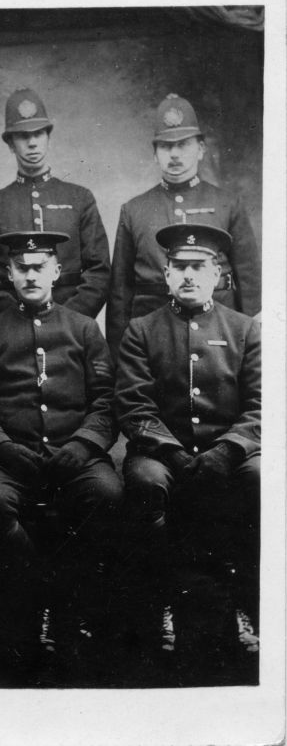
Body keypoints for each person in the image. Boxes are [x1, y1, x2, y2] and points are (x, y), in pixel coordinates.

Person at [0, 230, 122, 657]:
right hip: (11, 457)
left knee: (107, 494)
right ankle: (35, 594)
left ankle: (68, 607)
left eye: (39, 267)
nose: (31, 275)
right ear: (8, 274)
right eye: (22, 268)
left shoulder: (85, 329)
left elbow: (106, 401)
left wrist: (84, 446)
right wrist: (3, 448)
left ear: (56, 272)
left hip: (75, 454)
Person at [115, 223, 260, 656]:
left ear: (217, 274)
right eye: (180, 267)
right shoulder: (142, 329)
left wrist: (229, 449)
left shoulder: (244, 329)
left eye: (199, 266)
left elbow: (263, 404)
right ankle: (157, 604)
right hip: (162, 452)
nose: (189, 275)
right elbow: (134, 405)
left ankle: (246, 604)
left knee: (261, 479)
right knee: (146, 482)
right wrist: (174, 453)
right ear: (166, 275)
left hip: (229, 451)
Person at [106, 93, 261, 365]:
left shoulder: (227, 204)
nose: (174, 154)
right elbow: (121, 291)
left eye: (183, 144)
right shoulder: (134, 210)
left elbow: (249, 281)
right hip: (153, 329)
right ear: (154, 154)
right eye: (165, 146)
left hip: (219, 327)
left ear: (201, 148)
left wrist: (251, 345)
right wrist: (118, 357)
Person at [0, 88, 111, 319]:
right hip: (13, 331)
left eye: (38, 134)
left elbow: (98, 271)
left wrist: (68, 320)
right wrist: (15, 321)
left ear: (48, 138)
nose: (32, 143)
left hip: (73, 327)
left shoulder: (80, 199)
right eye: (23, 136)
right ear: (10, 144)